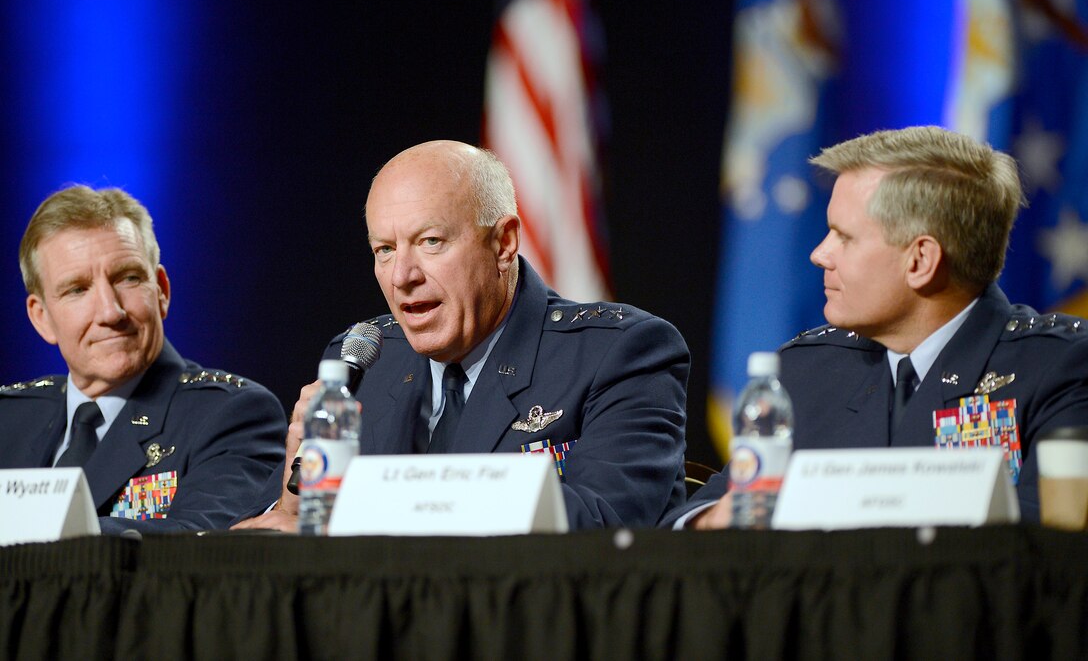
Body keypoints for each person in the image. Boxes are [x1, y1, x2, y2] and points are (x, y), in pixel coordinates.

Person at [233, 140, 689, 531]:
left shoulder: (620, 352)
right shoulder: (363, 364)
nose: (402, 277)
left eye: (431, 241)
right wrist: (294, 503)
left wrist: (371, 501)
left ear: (504, 243)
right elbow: (267, 528)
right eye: (385, 250)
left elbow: (606, 522)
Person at [669, 125, 1088, 528]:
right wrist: (710, 520)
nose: (819, 254)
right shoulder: (807, 371)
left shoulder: (1062, 368)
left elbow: (1050, 551)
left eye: (843, 237)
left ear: (920, 261)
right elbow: (700, 515)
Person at [0, 185, 285, 534]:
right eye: (77, 289)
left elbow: (203, 545)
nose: (110, 311)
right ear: (41, 316)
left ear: (161, 291)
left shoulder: (232, 414)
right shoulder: (8, 418)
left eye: (129, 278)